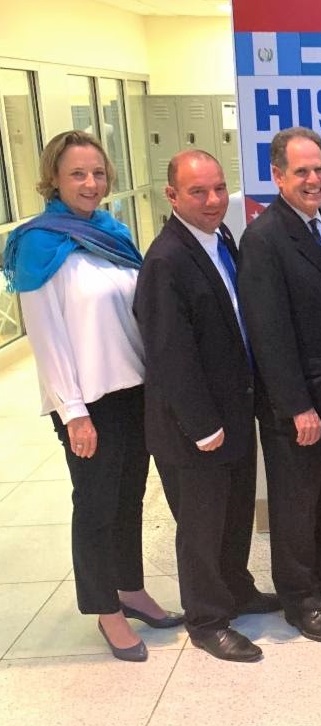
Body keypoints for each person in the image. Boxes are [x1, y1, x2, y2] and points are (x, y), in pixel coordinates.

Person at [2, 130, 181, 662]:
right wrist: (73, 414)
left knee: (130, 499)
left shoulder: (113, 232)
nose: (90, 183)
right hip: (88, 402)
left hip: (132, 390)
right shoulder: (38, 244)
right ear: (53, 178)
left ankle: (130, 589)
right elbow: (47, 338)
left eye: (98, 173)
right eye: (78, 174)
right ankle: (106, 610)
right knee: (97, 506)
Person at [133, 150, 279, 663]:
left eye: (219, 188)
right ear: (172, 196)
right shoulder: (166, 260)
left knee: (234, 514)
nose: (214, 200)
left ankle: (236, 588)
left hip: (234, 413)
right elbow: (170, 354)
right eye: (199, 192)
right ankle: (207, 619)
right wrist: (201, 425)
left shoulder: (220, 240)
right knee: (201, 526)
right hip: (194, 428)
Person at [239, 126, 321, 645]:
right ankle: (300, 598)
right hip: (298, 405)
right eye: (301, 171)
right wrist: (297, 406)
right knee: (295, 503)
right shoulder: (264, 239)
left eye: (319, 169)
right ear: (277, 176)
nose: (314, 179)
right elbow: (268, 333)